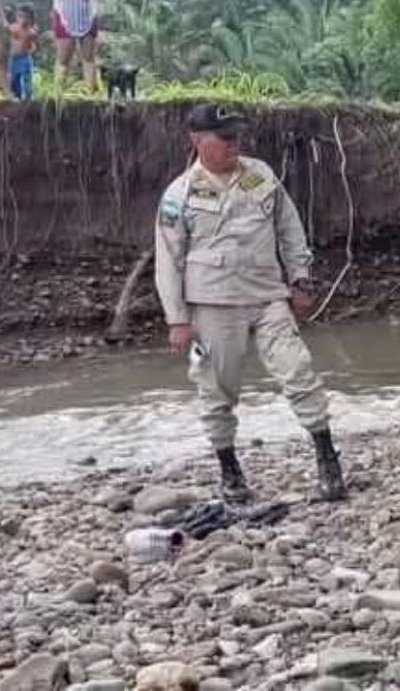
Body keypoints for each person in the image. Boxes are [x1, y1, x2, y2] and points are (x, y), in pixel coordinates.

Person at [154, 104, 346, 503]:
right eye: (224, 138)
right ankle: (230, 471)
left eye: (237, 136)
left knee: (298, 370)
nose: (234, 145)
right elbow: (167, 261)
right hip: (210, 307)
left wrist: (301, 280)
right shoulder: (179, 195)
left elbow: (289, 229)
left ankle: (327, 460)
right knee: (213, 387)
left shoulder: (261, 175)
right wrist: (177, 321)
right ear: (197, 141)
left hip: (267, 296)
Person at [7, 5, 40, 102]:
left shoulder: (32, 32)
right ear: (17, 17)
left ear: (31, 19)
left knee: (27, 78)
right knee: (14, 79)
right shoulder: (13, 28)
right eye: (20, 16)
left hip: (25, 58)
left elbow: (36, 45)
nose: (23, 20)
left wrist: (31, 50)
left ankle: (29, 99)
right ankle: (16, 97)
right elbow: (4, 36)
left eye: (26, 17)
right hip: (13, 58)